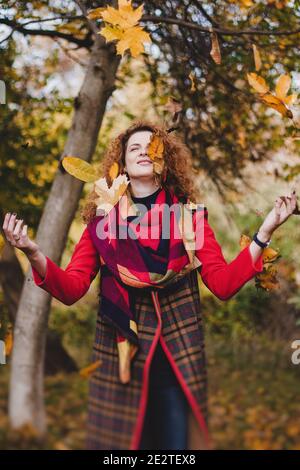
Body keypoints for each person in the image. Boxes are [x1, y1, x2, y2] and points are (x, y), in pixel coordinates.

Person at [2, 120, 298, 450]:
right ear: (122, 164)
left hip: (177, 362)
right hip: (120, 361)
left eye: (151, 147)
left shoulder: (190, 217)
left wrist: (265, 231)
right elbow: (71, 289)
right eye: (134, 148)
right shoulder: (102, 223)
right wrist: (33, 251)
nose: (144, 152)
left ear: (164, 159)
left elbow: (224, 284)